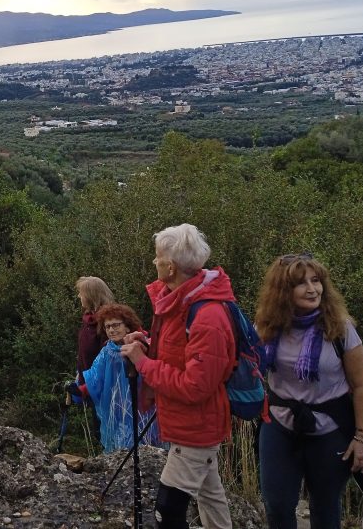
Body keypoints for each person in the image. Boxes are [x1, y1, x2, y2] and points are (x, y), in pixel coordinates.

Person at [120, 223, 235, 529]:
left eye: (157, 258)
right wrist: (146, 342)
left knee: (167, 512)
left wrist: (143, 362)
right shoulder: (180, 301)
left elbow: (195, 385)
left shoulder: (206, 315)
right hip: (191, 424)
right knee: (211, 499)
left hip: (195, 428)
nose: (153, 263)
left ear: (170, 267)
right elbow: (178, 354)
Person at [254, 253, 363, 529]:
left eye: (316, 280)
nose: (312, 289)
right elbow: (242, 365)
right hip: (280, 426)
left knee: (325, 509)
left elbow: (361, 387)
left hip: (329, 430)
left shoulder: (340, 329)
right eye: (301, 283)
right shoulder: (266, 328)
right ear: (283, 291)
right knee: (278, 507)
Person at [79, 303, 160, 453]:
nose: (111, 330)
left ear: (128, 326)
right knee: (120, 448)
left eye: (116, 325)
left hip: (141, 408)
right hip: (117, 412)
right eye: (107, 326)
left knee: (145, 445)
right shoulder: (107, 351)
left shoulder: (142, 346)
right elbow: (96, 377)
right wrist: (80, 391)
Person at [76, 276, 115, 382]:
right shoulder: (89, 319)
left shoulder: (108, 321)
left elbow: (107, 358)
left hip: (99, 384)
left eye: (82, 293)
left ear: (90, 296)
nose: (79, 296)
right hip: (85, 378)